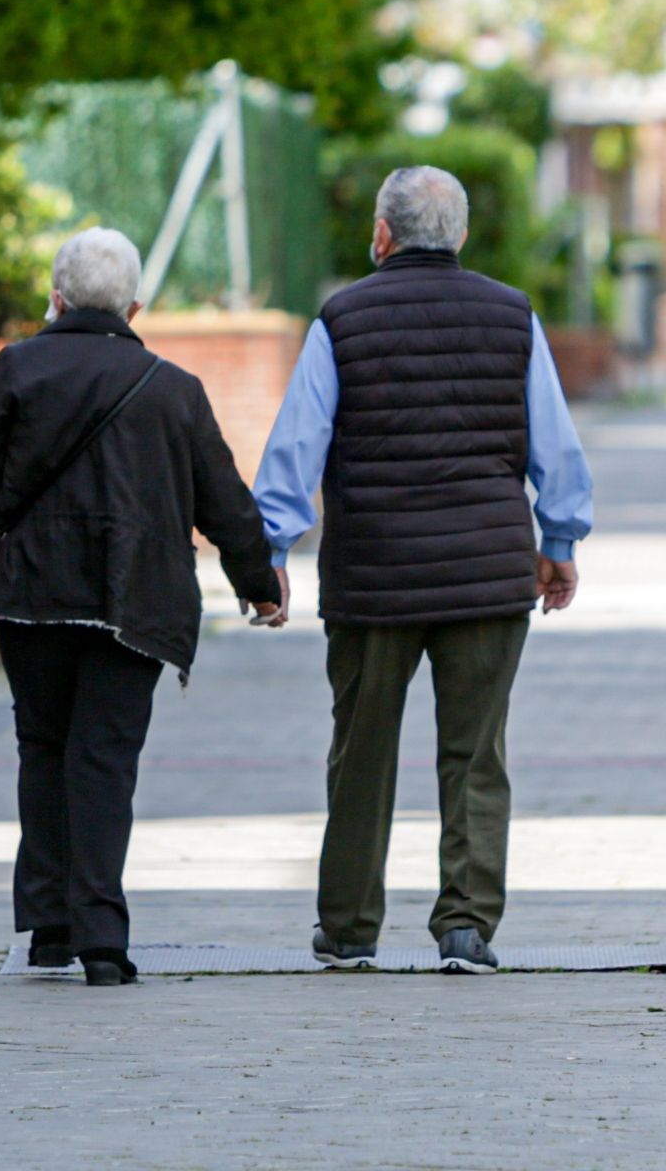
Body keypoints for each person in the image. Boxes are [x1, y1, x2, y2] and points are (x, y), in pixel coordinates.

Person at [252, 166, 593, 975]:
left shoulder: (342, 320)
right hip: (487, 572)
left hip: (375, 577)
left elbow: (296, 447)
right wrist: (562, 541)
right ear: (462, 236)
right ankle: (466, 926)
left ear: (381, 235)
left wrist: (270, 552)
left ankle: (348, 927)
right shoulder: (513, 317)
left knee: (361, 751)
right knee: (476, 755)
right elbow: (556, 446)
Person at [0, 227, 282, 987]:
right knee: (105, 760)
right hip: (136, 600)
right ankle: (103, 939)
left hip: (31, 595)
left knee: (43, 747)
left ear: (55, 298)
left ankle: (48, 929)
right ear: (136, 305)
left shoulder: (18, 367)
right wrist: (258, 581)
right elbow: (225, 501)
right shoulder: (174, 389)